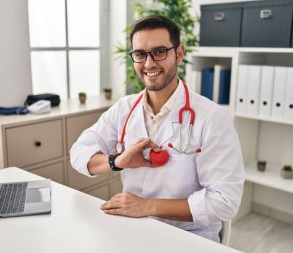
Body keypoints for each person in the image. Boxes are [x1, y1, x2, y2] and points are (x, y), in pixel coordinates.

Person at [70, 15, 244, 242]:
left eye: (159, 51)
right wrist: (117, 161)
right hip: (132, 228)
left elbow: (225, 201)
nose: (149, 63)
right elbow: (78, 151)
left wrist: (146, 206)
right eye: (140, 54)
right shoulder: (124, 109)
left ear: (179, 53)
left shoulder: (212, 118)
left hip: (189, 236)